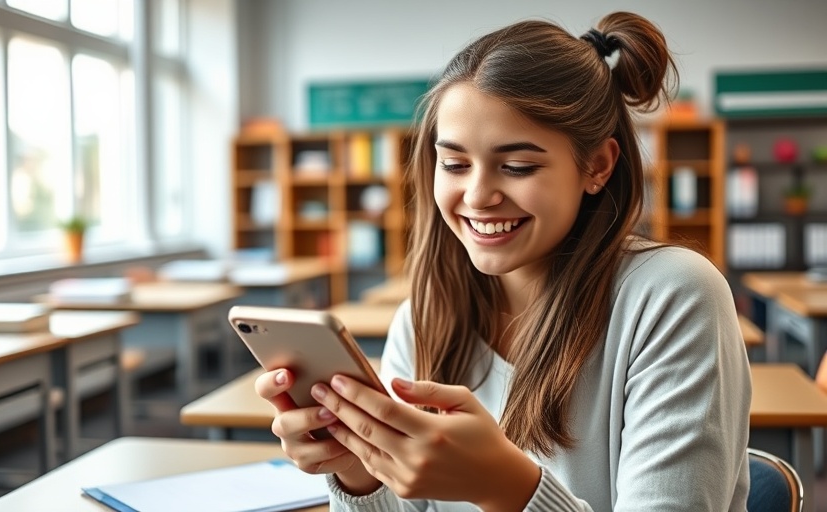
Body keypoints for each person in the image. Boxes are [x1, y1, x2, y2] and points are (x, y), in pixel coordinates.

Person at [256, 11, 751, 511]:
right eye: (453, 164)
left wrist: (507, 489)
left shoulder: (674, 295)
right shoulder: (425, 318)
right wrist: (359, 469)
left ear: (597, 166)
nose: (477, 195)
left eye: (517, 166)